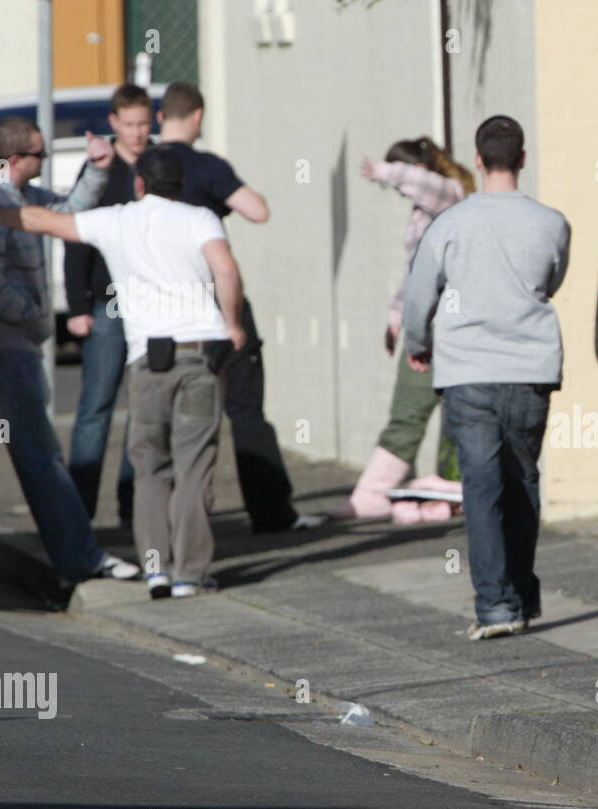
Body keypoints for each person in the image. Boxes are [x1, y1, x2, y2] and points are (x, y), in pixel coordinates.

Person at [0, 145, 248, 599]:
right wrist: (233, 324)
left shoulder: (117, 220)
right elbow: (226, 270)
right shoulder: (201, 218)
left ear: (141, 182)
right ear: (180, 184)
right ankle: (191, 574)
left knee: (149, 468)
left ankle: (156, 570)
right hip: (202, 354)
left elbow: (43, 221)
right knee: (195, 465)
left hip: (147, 360)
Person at [403, 115, 570, 640]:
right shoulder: (552, 223)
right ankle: (521, 596)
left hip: (468, 371)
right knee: (522, 479)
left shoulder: (449, 224)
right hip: (531, 367)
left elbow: (418, 295)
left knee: (481, 486)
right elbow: (552, 279)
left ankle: (496, 608)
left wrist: (418, 344)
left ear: (477, 160)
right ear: (522, 159)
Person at [0, 116, 140, 587]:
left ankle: (77, 554)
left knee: (36, 454)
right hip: (8, 346)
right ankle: (80, 557)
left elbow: (71, 213)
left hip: (12, 344)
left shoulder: (19, 196)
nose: (44, 163)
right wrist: (32, 317)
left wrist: (97, 169)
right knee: (40, 456)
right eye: (40, 155)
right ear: (15, 159)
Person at [155, 81, 323, 534]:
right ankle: (271, 512)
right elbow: (257, 211)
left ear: (158, 118)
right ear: (198, 117)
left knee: (163, 413)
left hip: (162, 304)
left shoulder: (146, 168)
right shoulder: (206, 167)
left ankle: (161, 520)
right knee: (245, 408)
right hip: (215, 300)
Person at [330, 136, 472, 524]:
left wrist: (382, 171)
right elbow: (414, 275)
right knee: (429, 411)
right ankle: (403, 493)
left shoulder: (449, 195)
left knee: (427, 412)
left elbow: (424, 182)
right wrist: (397, 319)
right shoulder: (427, 211)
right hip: (425, 323)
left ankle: (394, 493)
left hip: (443, 328)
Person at [62, 83, 154, 527]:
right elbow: (77, 236)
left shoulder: (160, 163)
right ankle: (78, 511)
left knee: (145, 408)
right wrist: (76, 303)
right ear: (114, 123)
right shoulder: (100, 166)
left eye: (143, 123)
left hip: (153, 303)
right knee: (96, 406)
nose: (137, 133)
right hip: (106, 303)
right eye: (129, 124)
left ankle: (133, 506)